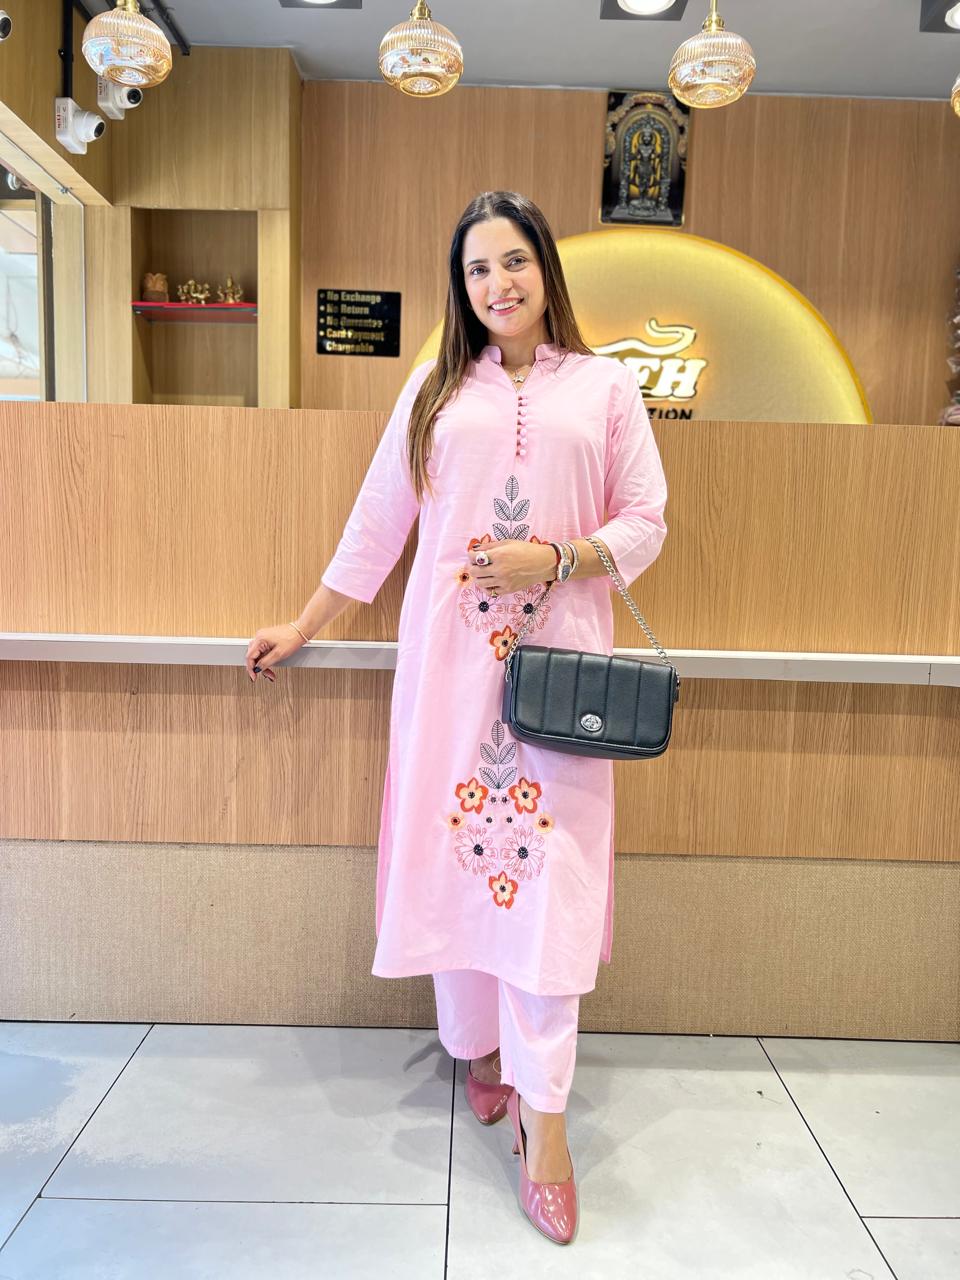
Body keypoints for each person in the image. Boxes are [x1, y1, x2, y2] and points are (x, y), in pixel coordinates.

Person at [245, 190, 668, 1245]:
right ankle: (479, 1047)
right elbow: (377, 525)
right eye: (478, 269)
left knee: (550, 885)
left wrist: (555, 557)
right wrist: (303, 623)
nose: (497, 284)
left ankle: (547, 1124)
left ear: (545, 268)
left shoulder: (606, 387)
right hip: (450, 676)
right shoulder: (435, 388)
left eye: (513, 261)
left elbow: (647, 521)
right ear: (461, 286)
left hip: (560, 680)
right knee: (464, 858)